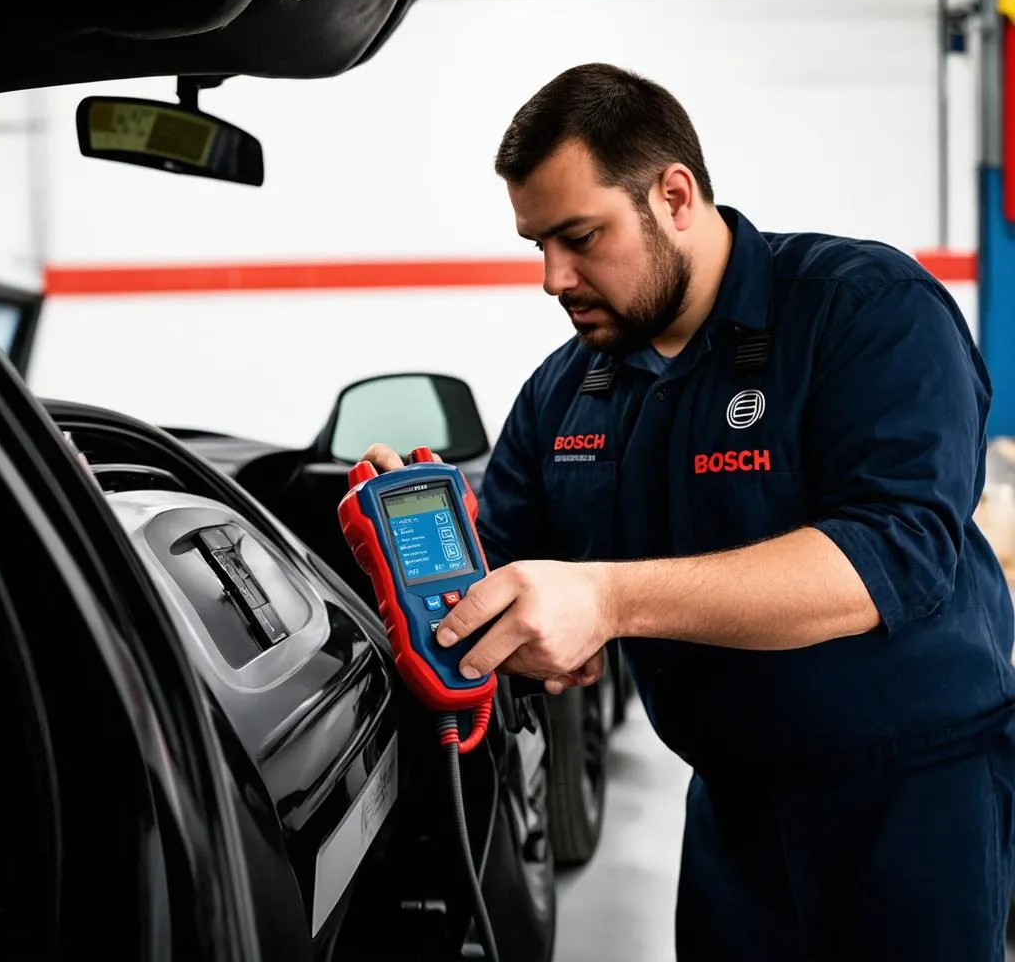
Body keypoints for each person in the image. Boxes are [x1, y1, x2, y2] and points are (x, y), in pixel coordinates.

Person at [363, 63, 1015, 960]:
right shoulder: (567, 394)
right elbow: (496, 571)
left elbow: (891, 553)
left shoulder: (862, 308)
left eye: (579, 236)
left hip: (911, 800)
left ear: (674, 195)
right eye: (537, 244)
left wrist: (612, 600)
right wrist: (410, 553)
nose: (553, 277)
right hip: (731, 810)